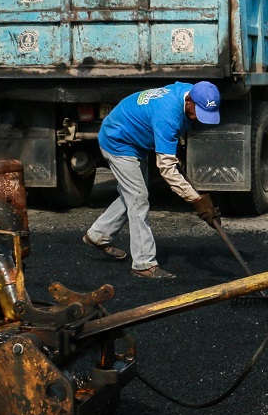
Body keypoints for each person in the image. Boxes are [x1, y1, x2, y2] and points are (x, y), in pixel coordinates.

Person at [82, 81, 222, 281]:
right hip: (118, 141)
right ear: (189, 100)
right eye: (197, 111)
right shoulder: (168, 116)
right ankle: (144, 264)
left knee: (132, 193)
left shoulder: (194, 92)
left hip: (136, 140)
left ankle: (98, 234)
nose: (197, 117)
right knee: (138, 198)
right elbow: (166, 168)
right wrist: (196, 200)